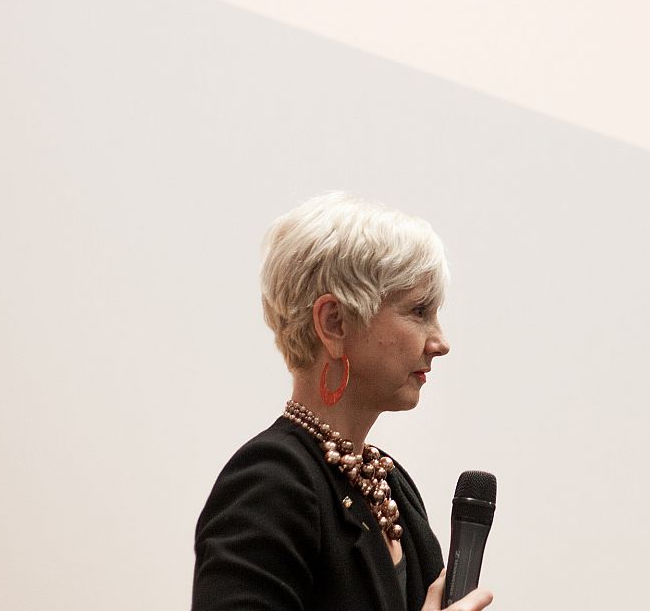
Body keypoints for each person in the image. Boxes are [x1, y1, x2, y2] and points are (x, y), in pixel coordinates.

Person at [193, 192, 493, 611]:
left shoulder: (393, 489)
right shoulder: (270, 482)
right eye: (419, 311)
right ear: (333, 322)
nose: (440, 342)